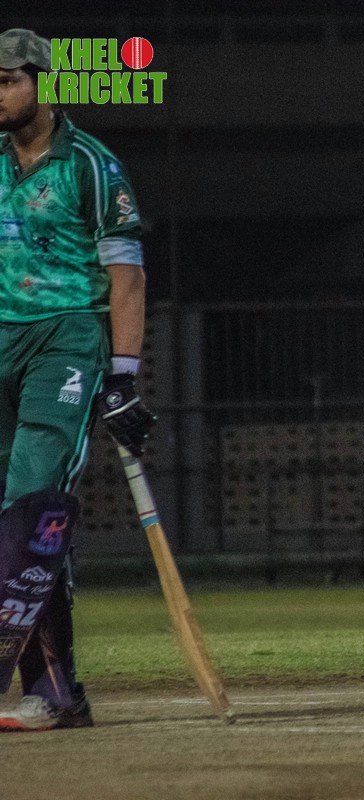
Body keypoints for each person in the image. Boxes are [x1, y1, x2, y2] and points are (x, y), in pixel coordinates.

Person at [0, 29, 155, 732]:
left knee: (31, 506)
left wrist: (122, 376)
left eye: (9, 80)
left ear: (44, 84)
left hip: (65, 340)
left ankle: (55, 691)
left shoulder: (91, 165)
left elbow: (127, 278)